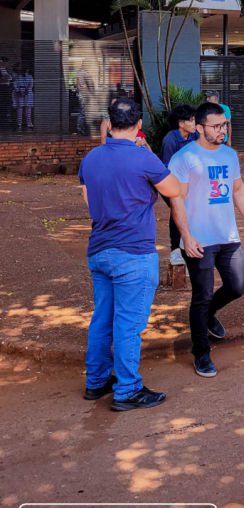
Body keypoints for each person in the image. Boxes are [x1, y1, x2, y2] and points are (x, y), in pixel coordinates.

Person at [78, 97, 181, 411]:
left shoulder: (90, 159)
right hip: (134, 253)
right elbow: (176, 190)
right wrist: (150, 161)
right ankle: (127, 390)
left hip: (100, 250)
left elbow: (89, 201)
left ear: (109, 125)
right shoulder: (143, 159)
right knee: (128, 324)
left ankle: (96, 381)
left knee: (102, 320)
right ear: (139, 126)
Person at [169, 101, 244, 378]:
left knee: (236, 286)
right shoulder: (184, 158)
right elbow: (177, 200)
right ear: (198, 127)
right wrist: (186, 237)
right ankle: (201, 353)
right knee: (202, 294)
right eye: (216, 126)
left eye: (225, 125)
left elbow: (238, 188)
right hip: (199, 239)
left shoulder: (229, 155)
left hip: (227, 235)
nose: (223, 130)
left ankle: (209, 315)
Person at [160, 103, 199, 254]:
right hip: (172, 182)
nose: (195, 123)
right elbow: (167, 169)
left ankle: (193, 245)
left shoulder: (195, 135)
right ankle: (175, 249)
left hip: (189, 182)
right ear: (181, 124)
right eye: (191, 120)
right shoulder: (170, 140)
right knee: (177, 209)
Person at [12, 64, 33, 131]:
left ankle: (28, 123)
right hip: (21, 93)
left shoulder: (29, 77)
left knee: (27, 109)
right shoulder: (18, 77)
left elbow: (31, 85)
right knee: (20, 108)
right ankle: (20, 123)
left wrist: (26, 91)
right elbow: (15, 85)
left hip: (27, 93)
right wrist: (19, 91)